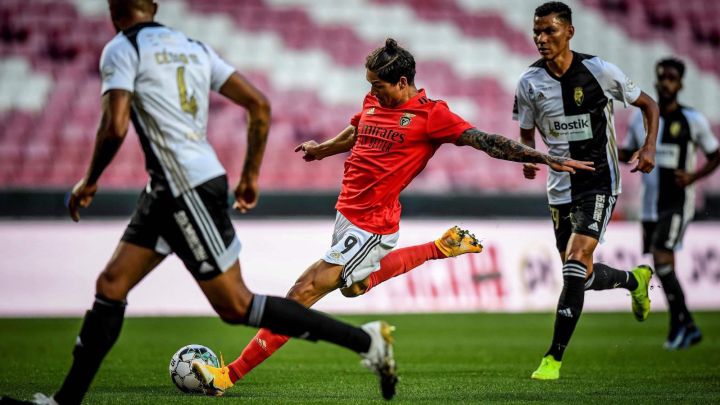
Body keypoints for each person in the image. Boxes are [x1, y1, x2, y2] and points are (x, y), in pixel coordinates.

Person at [0, 1, 401, 404]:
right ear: (154, 7)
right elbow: (259, 105)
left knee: (237, 305)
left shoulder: (122, 48)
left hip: (184, 188)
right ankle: (65, 400)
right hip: (168, 187)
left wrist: (90, 180)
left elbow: (115, 124)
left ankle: (365, 341)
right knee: (112, 284)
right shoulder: (192, 47)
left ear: (113, 10)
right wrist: (248, 176)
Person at [192, 36, 596, 394]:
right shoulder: (374, 101)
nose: (371, 92)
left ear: (402, 82)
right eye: (369, 84)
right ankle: (440, 247)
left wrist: (542, 157)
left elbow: (484, 141)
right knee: (354, 287)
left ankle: (228, 376)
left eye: (378, 85)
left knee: (303, 291)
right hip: (346, 214)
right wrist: (322, 149)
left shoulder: (432, 115)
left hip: (372, 224)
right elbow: (357, 131)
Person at [513, 1, 660, 380]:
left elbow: (649, 105)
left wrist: (648, 148)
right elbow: (526, 131)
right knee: (580, 274)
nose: (541, 38)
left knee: (576, 260)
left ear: (570, 32)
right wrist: (529, 157)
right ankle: (634, 280)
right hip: (559, 187)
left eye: (549, 30)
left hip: (599, 181)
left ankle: (553, 358)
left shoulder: (599, 71)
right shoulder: (529, 82)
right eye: (537, 31)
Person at [620, 57, 719, 350]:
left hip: (677, 202)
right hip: (649, 204)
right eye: (662, 77)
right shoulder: (640, 119)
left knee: (662, 258)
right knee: (663, 265)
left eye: (671, 78)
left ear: (680, 84)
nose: (665, 83)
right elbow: (628, 152)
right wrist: (608, 149)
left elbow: (715, 154)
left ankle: (685, 324)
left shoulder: (692, 120)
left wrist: (693, 176)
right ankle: (682, 327)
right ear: (656, 80)